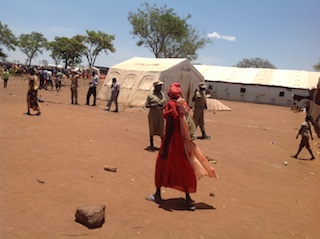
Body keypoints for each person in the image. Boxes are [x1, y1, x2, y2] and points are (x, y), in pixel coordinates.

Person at [146, 83, 218, 210]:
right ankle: (188, 198)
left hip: (173, 142)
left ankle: (157, 194)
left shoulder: (171, 106)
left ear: (170, 94)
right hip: (183, 143)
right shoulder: (183, 105)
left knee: (162, 164)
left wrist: (165, 145)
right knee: (184, 167)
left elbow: (170, 128)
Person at [145, 81, 166, 151]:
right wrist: (153, 105)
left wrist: (162, 106)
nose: (160, 87)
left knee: (161, 128)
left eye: (161, 86)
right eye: (159, 86)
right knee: (152, 128)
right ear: (155, 87)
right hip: (153, 114)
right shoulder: (150, 95)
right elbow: (147, 105)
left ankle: (163, 145)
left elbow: (164, 103)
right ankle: (151, 144)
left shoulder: (162, 94)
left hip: (160, 113)